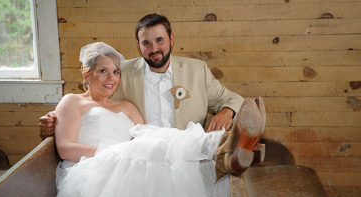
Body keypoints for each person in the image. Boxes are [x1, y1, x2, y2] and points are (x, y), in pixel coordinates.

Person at [55, 42, 232, 197]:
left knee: (158, 145)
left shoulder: (126, 106)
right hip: (94, 171)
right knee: (148, 156)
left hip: (128, 167)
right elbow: (65, 148)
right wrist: (113, 152)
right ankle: (219, 148)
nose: (111, 78)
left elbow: (147, 138)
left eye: (116, 72)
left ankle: (220, 148)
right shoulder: (73, 101)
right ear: (87, 73)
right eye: (103, 71)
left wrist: (127, 154)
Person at [40, 13, 265, 177]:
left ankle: (235, 146)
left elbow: (232, 98)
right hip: (145, 156)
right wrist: (56, 119)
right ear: (138, 45)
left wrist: (226, 112)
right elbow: (94, 98)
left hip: (187, 158)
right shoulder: (121, 71)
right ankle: (234, 150)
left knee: (195, 138)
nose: (154, 48)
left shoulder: (197, 70)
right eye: (146, 43)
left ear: (171, 39)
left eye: (160, 40)